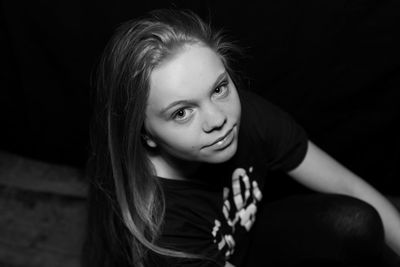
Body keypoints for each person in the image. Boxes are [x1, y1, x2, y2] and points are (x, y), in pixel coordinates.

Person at [82, 8, 400, 267]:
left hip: (244, 242)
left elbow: (349, 187)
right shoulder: (162, 231)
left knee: (355, 222)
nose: (218, 119)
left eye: (219, 88)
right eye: (181, 113)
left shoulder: (246, 116)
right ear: (145, 134)